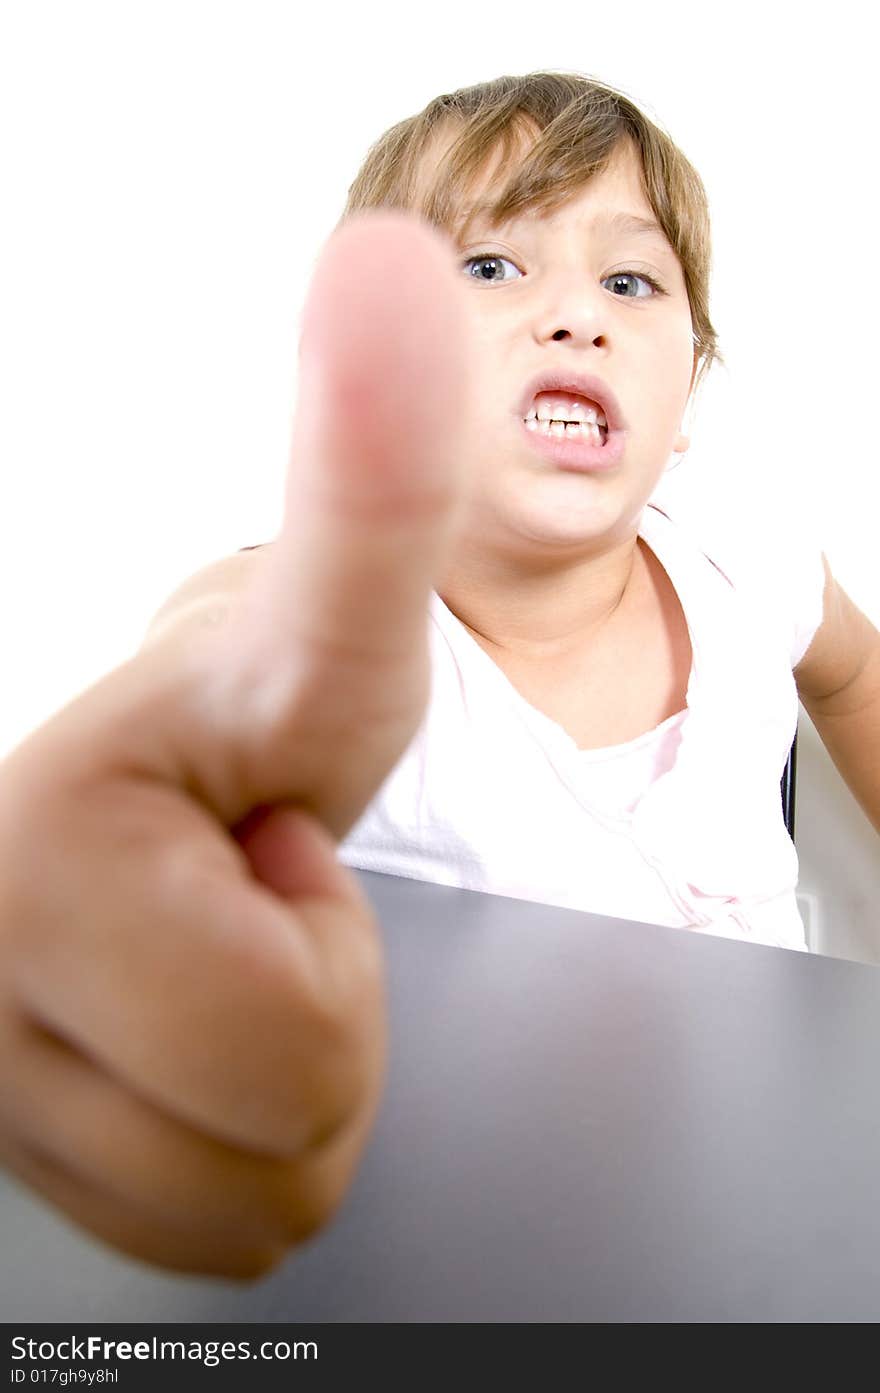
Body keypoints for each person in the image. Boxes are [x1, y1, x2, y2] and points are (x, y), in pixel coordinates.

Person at [0, 69, 877, 1283]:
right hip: (458, 1254)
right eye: (489, 268)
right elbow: (221, 644)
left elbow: (854, 681)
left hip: (768, 1221)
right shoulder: (342, 637)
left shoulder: (746, 563)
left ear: (687, 399)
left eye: (630, 281)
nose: (577, 317)